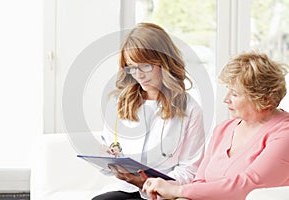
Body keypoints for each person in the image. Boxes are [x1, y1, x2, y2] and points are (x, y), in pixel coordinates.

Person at [142, 51, 289, 200]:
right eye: (227, 90)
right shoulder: (224, 129)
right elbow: (200, 181)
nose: (225, 99)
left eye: (235, 94)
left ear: (262, 99)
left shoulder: (284, 133)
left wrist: (179, 191)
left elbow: (249, 186)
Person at [92, 22, 206, 200]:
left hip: (164, 194)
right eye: (132, 67)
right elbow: (109, 147)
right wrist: (108, 158)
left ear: (164, 62)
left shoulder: (189, 110)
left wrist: (151, 184)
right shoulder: (119, 103)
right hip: (126, 189)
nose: (139, 75)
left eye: (145, 66)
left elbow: (190, 169)